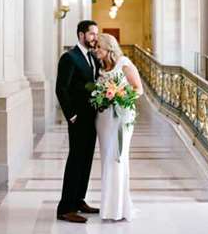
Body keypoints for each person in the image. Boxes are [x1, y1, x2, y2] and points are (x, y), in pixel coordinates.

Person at [95, 33, 143, 221]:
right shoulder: (100, 68)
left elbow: (139, 89)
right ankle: (108, 207)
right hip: (103, 120)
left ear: (109, 48)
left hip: (121, 118)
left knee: (118, 157)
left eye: (99, 46)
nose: (96, 49)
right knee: (106, 159)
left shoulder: (123, 63)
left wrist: (120, 97)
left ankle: (119, 208)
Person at [56, 20, 100, 223]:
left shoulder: (92, 57)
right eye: (92, 34)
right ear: (81, 35)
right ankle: (65, 208)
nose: (95, 37)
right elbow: (61, 88)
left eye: (96, 34)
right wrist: (71, 115)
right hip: (78, 119)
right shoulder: (69, 57)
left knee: (86, 160)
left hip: (92, 118)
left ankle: (79, 200)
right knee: (75, 161)